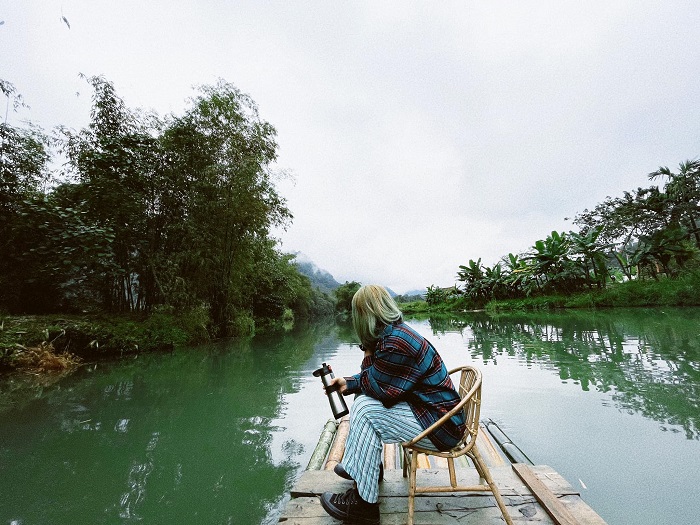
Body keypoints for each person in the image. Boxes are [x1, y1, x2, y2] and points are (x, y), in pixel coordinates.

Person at [319, 285, 467, 525]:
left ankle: (365, 507)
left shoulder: (395, 342)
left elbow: (380, 391)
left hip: (442, 426)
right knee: (363, 400)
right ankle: (364, 470)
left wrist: (366, 352)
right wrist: (348, 382)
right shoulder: (392, 335)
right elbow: (377, 379)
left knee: (367, 410)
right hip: (432, 413)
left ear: (365, 315)